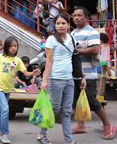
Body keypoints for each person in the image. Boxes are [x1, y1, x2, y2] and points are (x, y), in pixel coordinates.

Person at [71, 6, 117, 140]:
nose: (76, 18)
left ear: (86, 17)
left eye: (79, 15)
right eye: (74, 16)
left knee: (92, 101)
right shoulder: (73, 33)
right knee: (77, 100)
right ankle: (81, 125)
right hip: (76, 73)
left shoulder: (91, 32)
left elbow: (96, 50)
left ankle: (108, 125)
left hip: (89, 74)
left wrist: (77, 51)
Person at [37, 13, 83, 144]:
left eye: (63, 23)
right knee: (54, 109)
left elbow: (75, 59)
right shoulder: (51, 39)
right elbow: (49, 62)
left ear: (68, 25)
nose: (61, 26)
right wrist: (45, 81)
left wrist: (82, 76)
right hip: (55, 79)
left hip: (69, 79)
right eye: (58, 23)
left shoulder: (72, 39)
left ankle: (69, 140)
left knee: (67, 111)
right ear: (55, 25)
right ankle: (42, 134)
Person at [0, 36, 40, 144]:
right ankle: (4, 134)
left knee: (2, 110)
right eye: (11, 46)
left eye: (15, 46)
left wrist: (33, 73)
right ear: (6, 47)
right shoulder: (0, 57)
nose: (13, 48)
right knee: (6, 109)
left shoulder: (17, 60)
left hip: (8, 88)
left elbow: (26, 73)